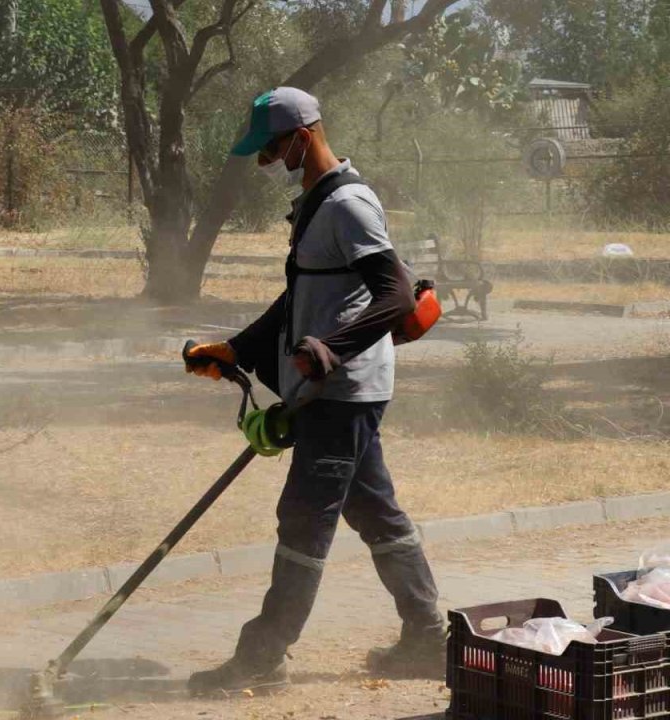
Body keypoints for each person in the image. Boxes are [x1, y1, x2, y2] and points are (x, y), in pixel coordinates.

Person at [183, 87, 444, 696]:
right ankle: (428, 638)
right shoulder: (315, 203)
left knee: (303, 519)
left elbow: (396, 295)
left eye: (273, 145)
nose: (267, 159)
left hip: (344, 390)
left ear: (303, 134)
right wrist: (238, 349)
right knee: (373, 508)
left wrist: (332, 347)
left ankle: (262, 658)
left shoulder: (350, 204)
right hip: (331, 388)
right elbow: (298, 297)